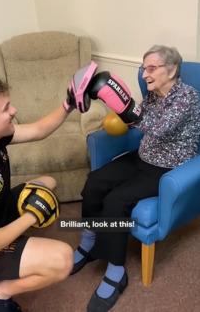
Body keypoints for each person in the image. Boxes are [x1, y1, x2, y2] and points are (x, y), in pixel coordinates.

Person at [71, 45, 200, 312]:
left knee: (117, 201)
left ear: (172, 69)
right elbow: (136, 123)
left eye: (151, 68)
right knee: (95, 181)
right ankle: (89, 242)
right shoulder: (153, 95)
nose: (145, 74)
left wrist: (125, 105)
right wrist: (114, 102)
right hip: (142, 157)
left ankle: (117, 271)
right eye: (143, 68)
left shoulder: (187, 97)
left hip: (167, 168)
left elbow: (159, 129)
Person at [0, 76, 79, 312]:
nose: (14, 110)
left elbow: (39, 130)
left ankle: (17, 241)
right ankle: (0, 291)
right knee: (63, 260)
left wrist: (68, 104)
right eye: (5, 109)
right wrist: (31, 216)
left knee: (46, 183)